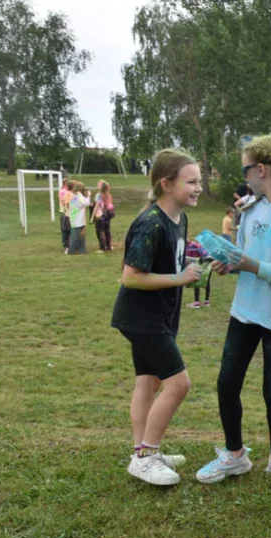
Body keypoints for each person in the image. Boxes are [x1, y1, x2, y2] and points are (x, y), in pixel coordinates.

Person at [195, 135, 271, 485]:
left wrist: (252, 265)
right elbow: (244, 253)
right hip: (244, 312)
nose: (244, 176)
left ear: (261, 169)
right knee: (226, 384)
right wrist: (230, 262)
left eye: (246, 168)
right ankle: (235, 456)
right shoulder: (250, 208)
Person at [110, 149, 204, 486]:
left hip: (160, 316)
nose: (198, 188)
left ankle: (143, 450)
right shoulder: (150, 222)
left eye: (199, 181)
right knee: (178, 384)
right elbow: (131, 277)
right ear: (166, 183)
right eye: (191, 181)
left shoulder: (179, 219)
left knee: (147, 383)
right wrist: (181, 278)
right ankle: (146, 457)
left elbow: (173, 257)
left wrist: (197, 254)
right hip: (141, 318)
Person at [185, 237, 212, 309]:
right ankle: (206, 302)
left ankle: (196, 303)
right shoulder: (193, 245)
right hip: (208, 263)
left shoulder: (191, 246)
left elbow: (205, 254)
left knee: (196, 282)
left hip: (203, 264)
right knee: (207, 282)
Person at [67, 182, 91, 255]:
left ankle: (81, 249)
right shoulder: (77, 196)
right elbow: (86, 203)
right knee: (75, 236)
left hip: (78, 219)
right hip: (76, 219)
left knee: (81, 235)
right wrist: (88, 196)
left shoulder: (77, 196)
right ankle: (72, 250)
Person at [93, 180, 115, 252]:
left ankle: (103, 247)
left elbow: (96, 206)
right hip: (108, 215)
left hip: (100, 215)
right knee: (107, 230)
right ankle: (109, 246)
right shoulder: (109, 195)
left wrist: (92, 216)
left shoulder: (99, 195)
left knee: (100, 231)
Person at [59, 180, 73, 252]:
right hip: (65, 212)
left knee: (68, 230)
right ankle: (66, 246)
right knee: (65, 230)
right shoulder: (63, 191)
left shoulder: (69, 192)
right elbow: (63, 201)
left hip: (68, 213)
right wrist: (66, 210)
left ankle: (68, 245)